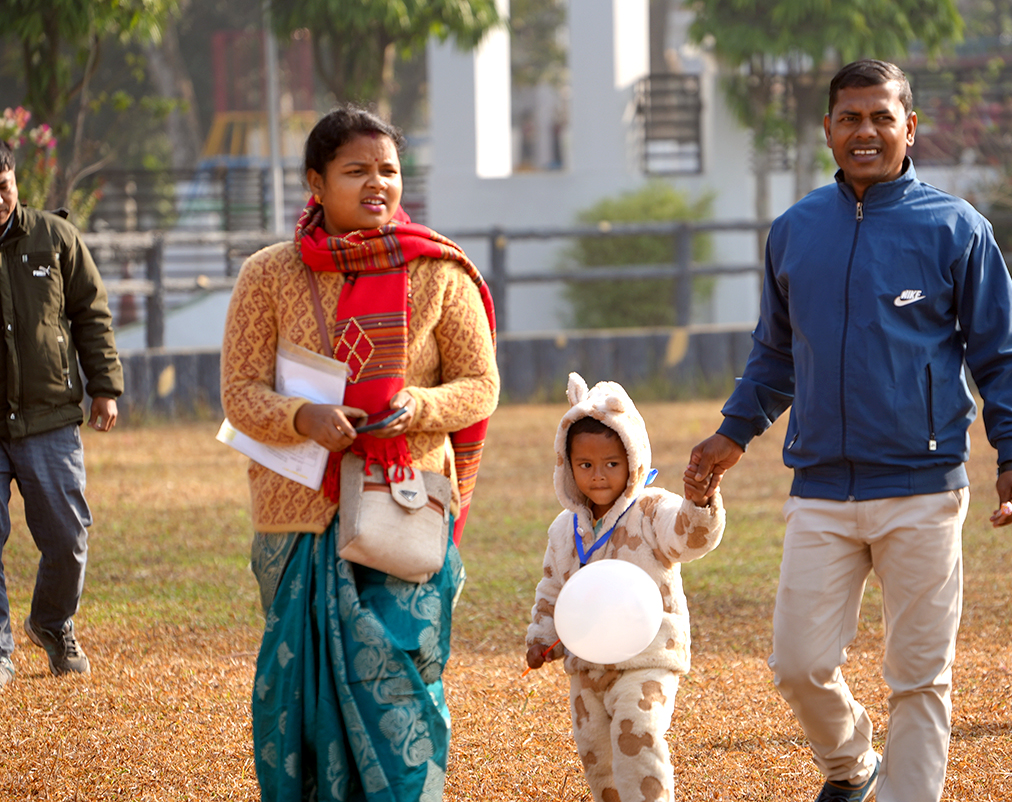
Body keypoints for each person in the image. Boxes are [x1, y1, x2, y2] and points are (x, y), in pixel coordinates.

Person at [685, 60, 1012, 802]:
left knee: (919, 679)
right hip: (820, 488)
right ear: (827, 130)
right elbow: (776, 354)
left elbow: (1003, 352)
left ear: (910, 127)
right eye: (850, 118)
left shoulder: (956, 228)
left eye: (882, 117)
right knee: (797, 664)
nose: (866, 132)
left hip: (924, 486)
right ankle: (853, 766)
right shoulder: (795, 231)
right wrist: (732, 433)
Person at [221, 106, 499, 800]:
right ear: (315, 182)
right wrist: (304, 417)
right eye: (357, 171)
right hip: (298, 512)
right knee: (296, 690)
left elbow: (481, 385)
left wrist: (417, 407)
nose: (378, 184)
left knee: (402, 682)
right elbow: (239, 392)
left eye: (389, 170)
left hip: (402, 502)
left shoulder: (438, 271)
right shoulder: (268, 274)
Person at [526, 372, 725, 802]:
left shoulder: (652, 509)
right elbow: (553, 588)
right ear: (567, 465)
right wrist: (542, 637)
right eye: (585, 465)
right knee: (598, 757)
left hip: (647, 658)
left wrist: (698, 503)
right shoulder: (564, 530)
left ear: (633, 460)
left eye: (612, 464)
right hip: (587, 665)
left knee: (638, 735)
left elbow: (690, 538)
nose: (598, 476)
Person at [0, 139, 122, 690]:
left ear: (15, 180)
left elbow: (91, 313)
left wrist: (105, 387)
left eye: (2, 188)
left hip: (49, 415)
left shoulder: (55, 237)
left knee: (68, 538)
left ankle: (51, 623)